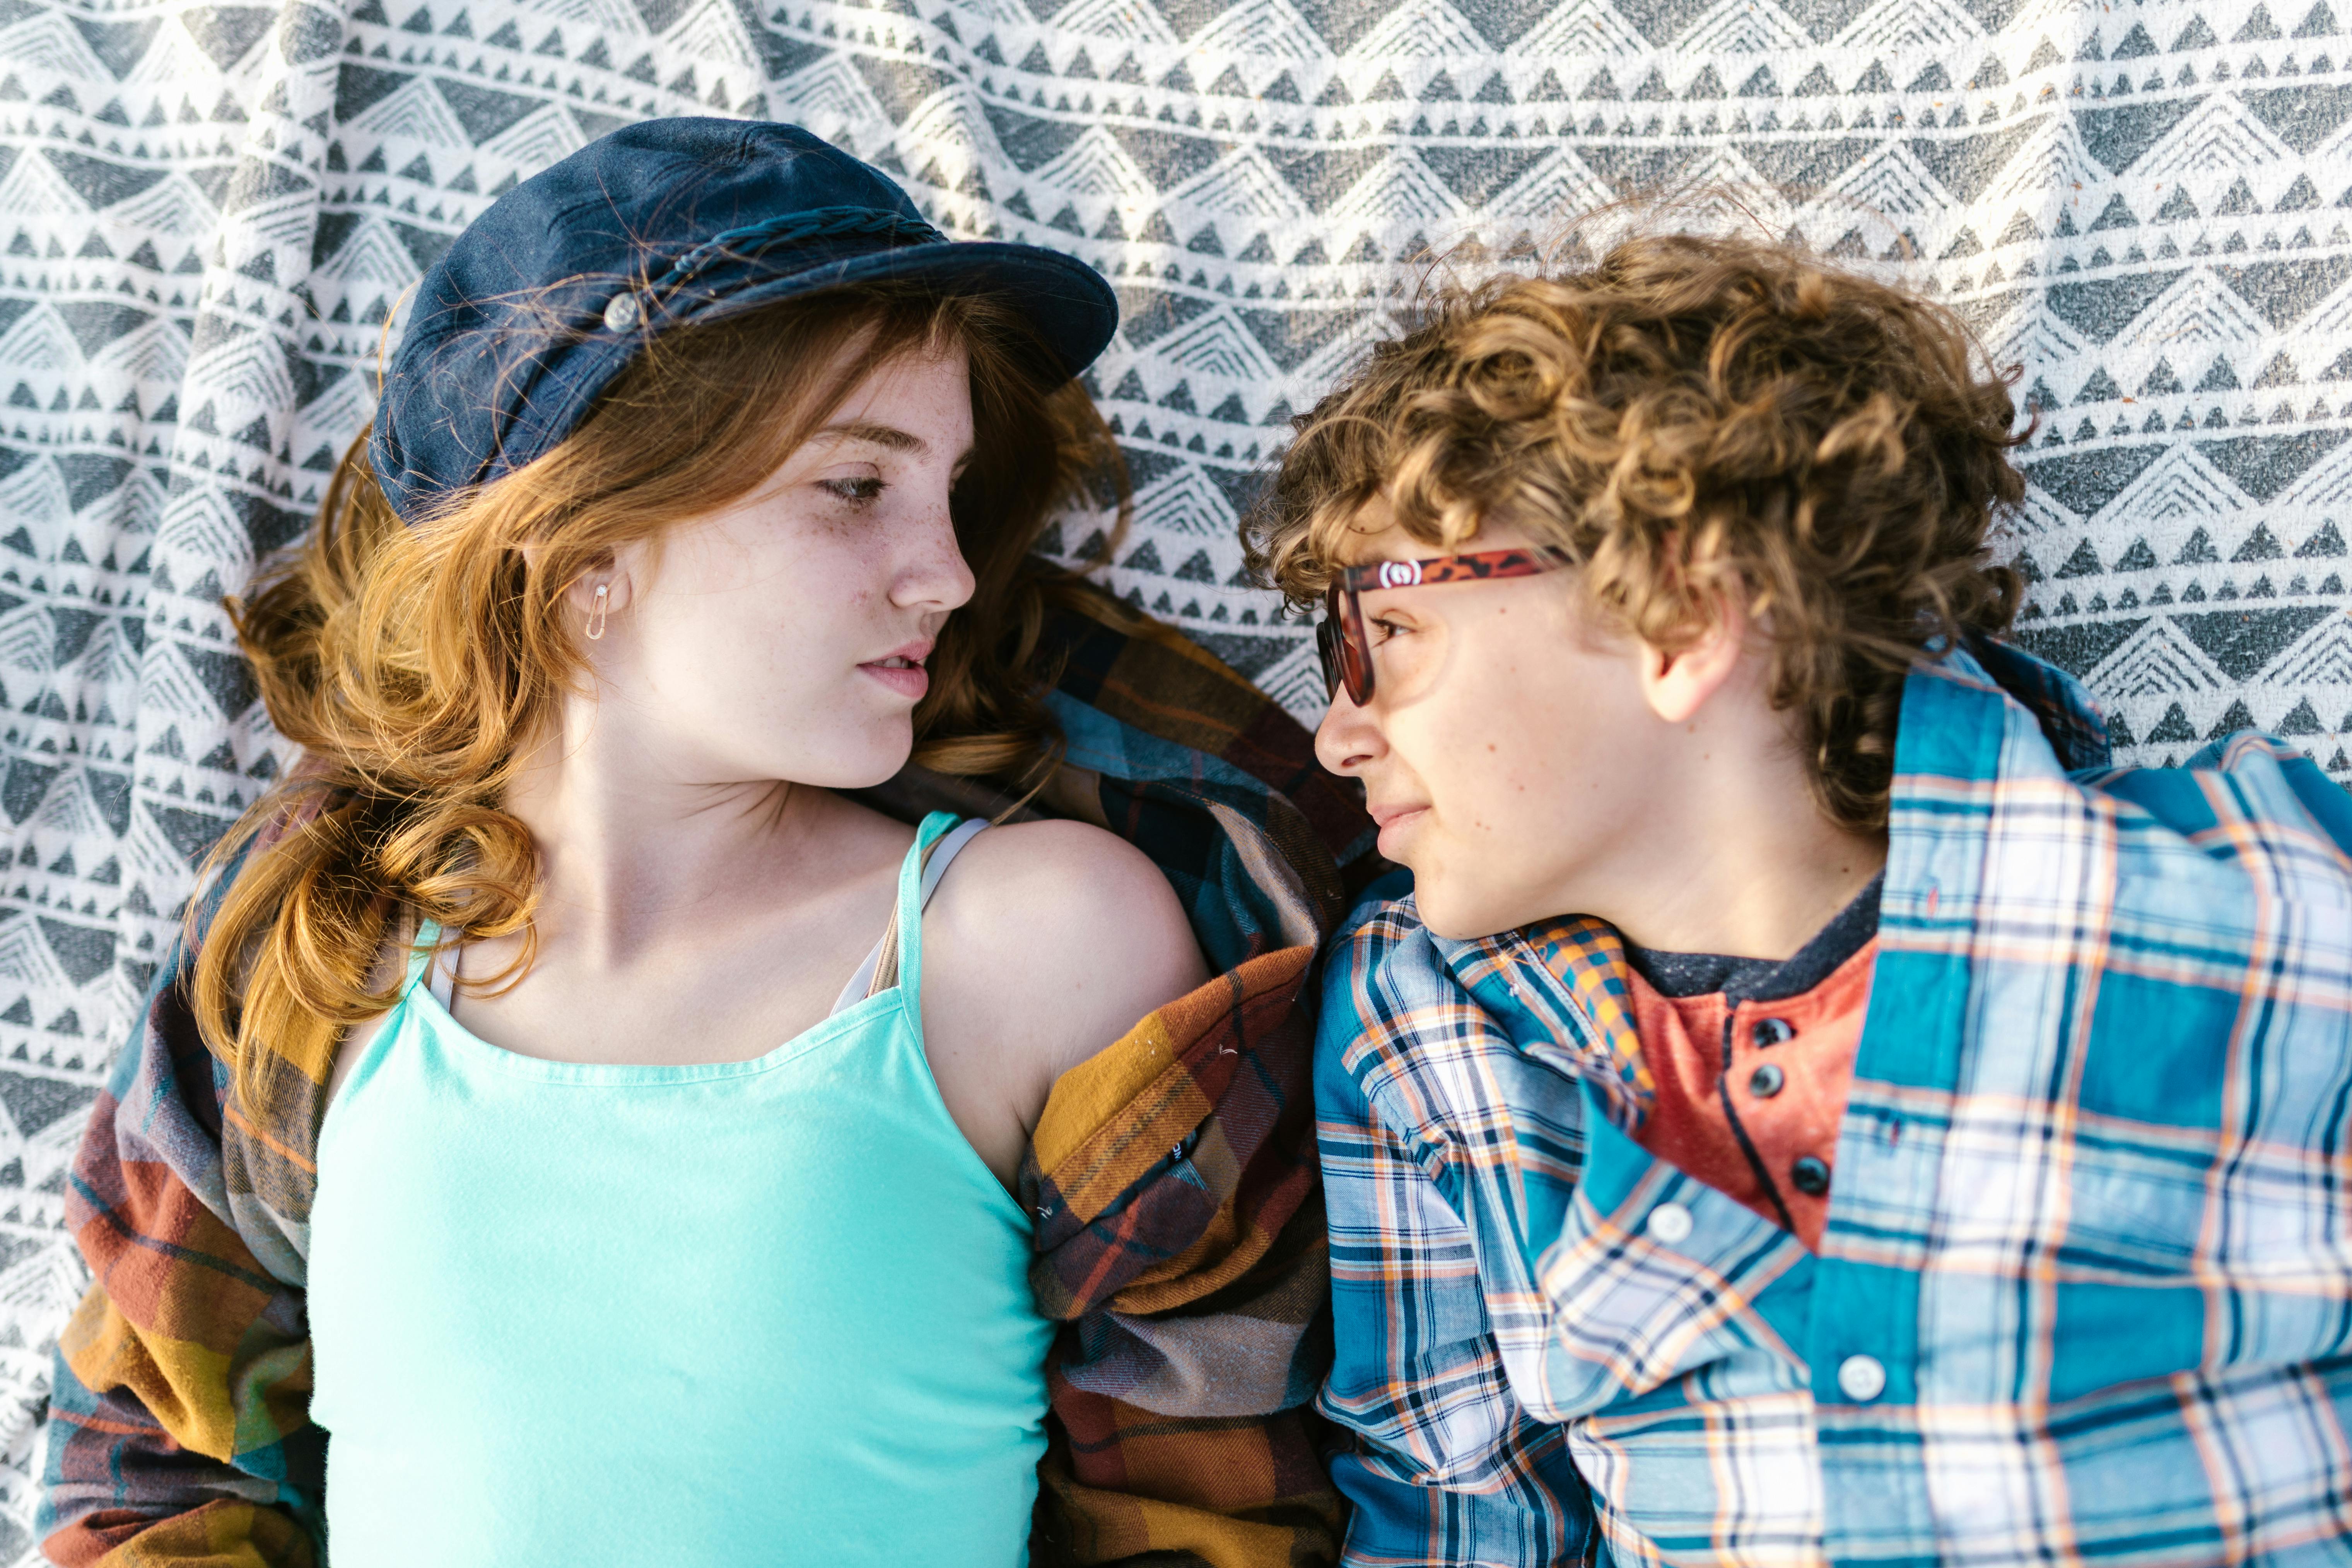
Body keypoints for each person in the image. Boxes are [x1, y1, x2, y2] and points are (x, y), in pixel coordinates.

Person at [41, 120, 1367, 1568]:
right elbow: (155, 1455)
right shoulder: (320, 936)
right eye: (855, 488)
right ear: (585, 551)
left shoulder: (1036, 943)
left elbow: (1204, 1513)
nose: (946, 571)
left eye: (947, 492)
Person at [1246, 231, 2352, 1566]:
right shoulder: (1417, 1031)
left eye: (1381, 635)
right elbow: (1456, 1516)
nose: (1334, 734)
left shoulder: (2269, 893)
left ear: (1680, 613)